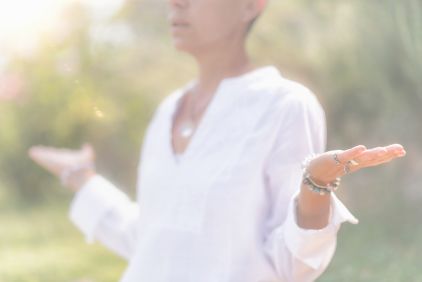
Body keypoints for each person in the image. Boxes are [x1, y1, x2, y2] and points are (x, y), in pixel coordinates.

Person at [28, 0, 407, 281]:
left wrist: (316, 186)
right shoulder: (165, 113)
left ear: (250, 6)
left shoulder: (283, 105)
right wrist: (81, 178)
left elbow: (290, 266)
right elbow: (151, 241)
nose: (175, 4)